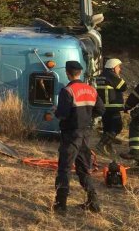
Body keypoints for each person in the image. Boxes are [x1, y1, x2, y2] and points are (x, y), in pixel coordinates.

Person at [53, 60, 105, 215]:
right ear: (80, 73)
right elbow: (101, 110)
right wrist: (87, 117)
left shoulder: (68, 91)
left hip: (71, 134)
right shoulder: (91, 90)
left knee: (65, 169)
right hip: (86, 134)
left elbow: (62, 114)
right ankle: (93, 202)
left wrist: (55, 112)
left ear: (68, 73)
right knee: (84, 168)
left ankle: (61, 205)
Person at [95, 58, 128, 156]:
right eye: (118, 67)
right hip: (113, 107)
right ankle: (101, 144)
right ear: (113, 67)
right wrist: (117, 76)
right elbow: (124, 86)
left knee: (108, 128)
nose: (120, 69)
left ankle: (108, 146)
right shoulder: (112, 76)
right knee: (117, 127)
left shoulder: (101, 76)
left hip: (104, 107)